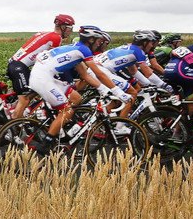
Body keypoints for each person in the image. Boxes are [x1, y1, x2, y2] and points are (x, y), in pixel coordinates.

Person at [27, 26, 131, 154]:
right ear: (91, 39)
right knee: (67, 110)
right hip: (42, 78)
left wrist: (104, 90)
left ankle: (60, 126)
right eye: (99, 41)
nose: (99, 44)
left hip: (44, 75)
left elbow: (85, 75)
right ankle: (46, 144)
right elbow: (99, 74)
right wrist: (118, 92)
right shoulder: (84, 50)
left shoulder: (77, 49)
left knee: (77, 98)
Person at [7, 14, 76, 119]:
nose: (70, 31)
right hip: (19, 67)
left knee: (36, 88)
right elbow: (53, 61)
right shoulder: (56, 38)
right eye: (70, 28)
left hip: (17, 65)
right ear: (63, 27)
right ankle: (14, 124)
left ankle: (14, 108)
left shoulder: (45, 33)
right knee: (24, 98)